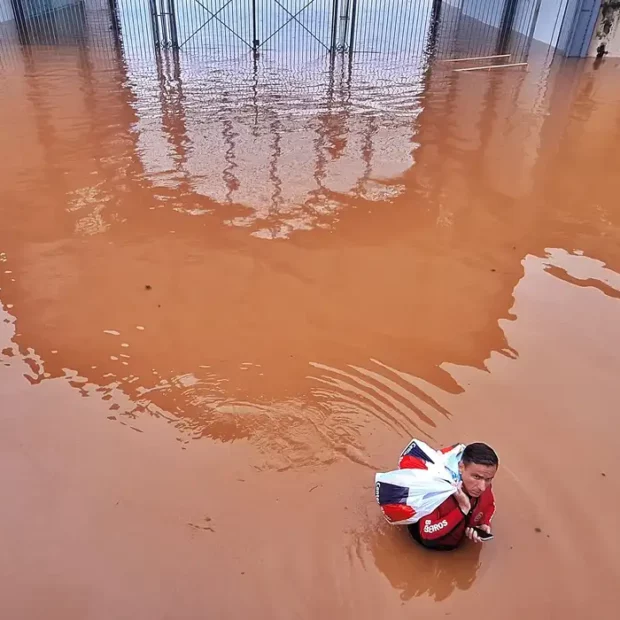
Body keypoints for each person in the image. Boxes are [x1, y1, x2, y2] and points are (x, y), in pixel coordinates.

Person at [408, 442, 498, 551]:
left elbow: (489, 506)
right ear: (461, 467)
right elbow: (427, 533)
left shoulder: (483, 485)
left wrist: (483, 523)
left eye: (488, 479)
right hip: (424, 548)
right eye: (476, 477)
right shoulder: (438, 491)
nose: (482, 487)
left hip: (456, 543)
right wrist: (462, 509)